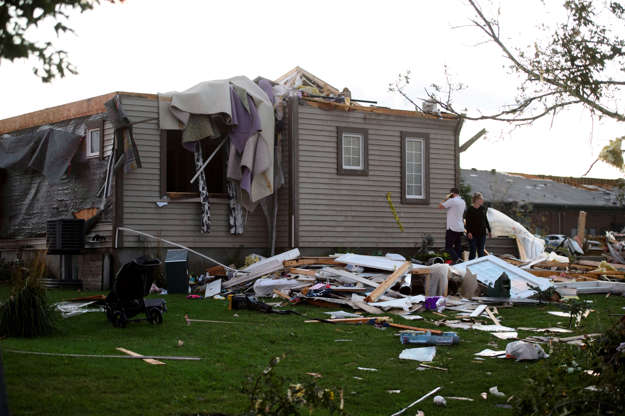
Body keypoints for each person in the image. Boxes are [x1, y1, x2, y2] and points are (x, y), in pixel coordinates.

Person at [438, 187, 466, 263]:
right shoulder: (463, 201)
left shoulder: (452, 201)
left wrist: (446, 198)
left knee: (448, 247)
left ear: (452, 193)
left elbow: (440, 206)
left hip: (452, 227)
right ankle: (459, 262)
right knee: (458, 247)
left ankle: (457, 259)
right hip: (460, 227)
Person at [464, 192, 492, 260]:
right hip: (472, 234)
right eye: (481, 199)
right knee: (473, 251)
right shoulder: (470, 209)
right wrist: (468, 232)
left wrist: (489, 230)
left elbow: (485, 220)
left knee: (481, 252)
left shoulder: (483, 209)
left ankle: (480, 268)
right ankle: (469, 267)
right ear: (476, 199)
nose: (482, 200)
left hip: (482, 233)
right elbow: (467, 222)